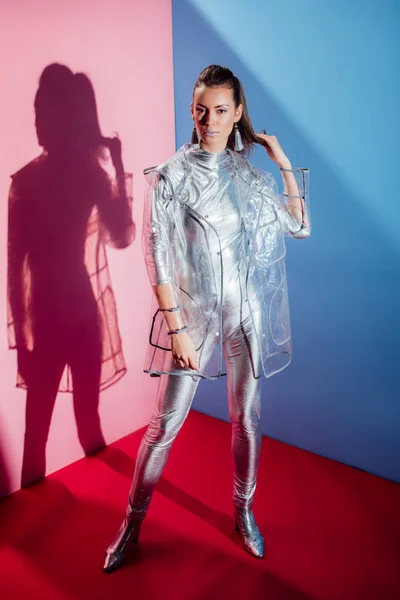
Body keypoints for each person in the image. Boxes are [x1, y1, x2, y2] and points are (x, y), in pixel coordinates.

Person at [104, 64, 310, 572]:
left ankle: (243, 513)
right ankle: (131, 524)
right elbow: (157, 258)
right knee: (165, 425)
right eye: (201, 110)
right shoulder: (170, 176)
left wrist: (281, 161)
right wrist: (177, 331)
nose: (209, 120)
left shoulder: (246, 174)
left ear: (237, 113)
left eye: (220, 111)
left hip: (245, 315)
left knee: (248, 420)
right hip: (192, 320)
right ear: (191, 110)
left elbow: (299, 227)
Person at [7, 64, 135, 487]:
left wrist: (117, 168)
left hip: (76, 320)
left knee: (77, 431)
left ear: (62, 117)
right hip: (56, 322)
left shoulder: (62, 178)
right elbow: (14, 265)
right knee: (46, 438)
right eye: (36, 112)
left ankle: (118, 513)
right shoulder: (28, 182)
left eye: (44, 112)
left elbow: (120, 235)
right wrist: (22, 337)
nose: (38, 122)